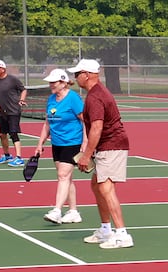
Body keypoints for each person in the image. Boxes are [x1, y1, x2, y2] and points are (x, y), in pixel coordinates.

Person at [67, 59, 134, 249]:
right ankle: (106, 229)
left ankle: (122, 235)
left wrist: (87, 155)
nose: (75, 77)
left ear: (86, 74)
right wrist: (88, 150)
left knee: (105, 187)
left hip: (112, 144)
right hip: (107, 144)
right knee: (97, 185)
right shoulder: (95, 94)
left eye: (77, 74)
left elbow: (96, 127)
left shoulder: (95, 97)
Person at [35, 69, 86, 224]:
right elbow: (47, 123)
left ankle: (57, 210)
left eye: (54, 82)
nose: (51, 85)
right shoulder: (51, 99)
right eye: (50, 82)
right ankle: (73, 212)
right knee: (67, 178)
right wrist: (40, 143)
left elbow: (86, 121)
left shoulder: (73, 99)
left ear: (63, 83)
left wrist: (85, 143)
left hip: (72, 143)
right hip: (57, 144)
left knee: (63, 176)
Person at [0, 59, 27, 167]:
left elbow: (23, 89)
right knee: (2, 134)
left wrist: (22, 100)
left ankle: (19, 158)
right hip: (2, 112)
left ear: (2, 69)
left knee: (13, 133)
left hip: (13, 110)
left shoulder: (12, 80)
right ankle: (7, 155)